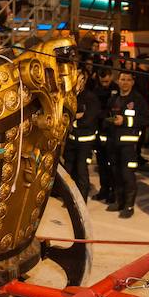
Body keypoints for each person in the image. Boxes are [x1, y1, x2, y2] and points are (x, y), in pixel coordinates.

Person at [104, 70, 149, 218]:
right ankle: (119, 202)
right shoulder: (114, 98)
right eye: (122, 79)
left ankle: (129, 206)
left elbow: (145, 120)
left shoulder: (138, 100)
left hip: (128, 146)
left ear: (132, 82)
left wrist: (125, 121)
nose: (125, 82)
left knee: (127, 175)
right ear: (118, 81)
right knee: (116, 174)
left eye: (128, 80)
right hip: (113, 144)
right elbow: (107, 117)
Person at [64, 68, 101, 200]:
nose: (77, 81)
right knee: (69, 170)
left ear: (84, 81)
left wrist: (73, 119)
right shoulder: (71, 96)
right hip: (72, 140)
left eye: (80, 79)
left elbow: (88, 119)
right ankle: (70, 198)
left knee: (81, 171)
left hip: (85, 142)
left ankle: (81, 199)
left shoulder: (90, 98)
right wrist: (75, 117)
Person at [92, 69, 119, 203]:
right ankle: (104, 190)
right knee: (102, 165)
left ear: (112, 76)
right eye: (102, 81)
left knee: (112, 167)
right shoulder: (96, 91)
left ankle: (113, 193)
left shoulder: (117, 91)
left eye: (106, 81)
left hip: (112, 134)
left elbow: (113, 113)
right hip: (100, 134)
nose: (104, 83)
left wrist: (104, 117)